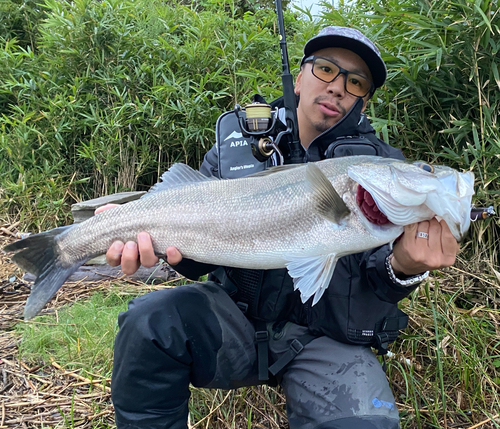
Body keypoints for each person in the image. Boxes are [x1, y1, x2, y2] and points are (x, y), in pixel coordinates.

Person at [98, 27, 459, 429]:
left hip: (329, 337)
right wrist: (158, 244)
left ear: (364, 101)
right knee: (148, 323)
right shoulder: (235, 146)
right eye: (326, 70)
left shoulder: (378, 169)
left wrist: (406, 268)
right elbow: (197, 259)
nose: (338, 87)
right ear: (299, 79)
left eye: (355, 82)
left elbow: (379, 275)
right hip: (232, 321)